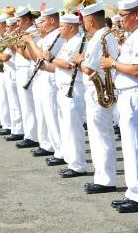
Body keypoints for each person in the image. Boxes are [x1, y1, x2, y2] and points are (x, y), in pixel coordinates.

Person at [101, 0, 138, 213]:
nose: (120, 20)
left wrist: (113, 63)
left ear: (135, 14)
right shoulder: (135, 35)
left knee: (135, 148)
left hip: (136, 95)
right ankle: (133, 193)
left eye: (123, 15)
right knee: (130, 148)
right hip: (129, 95)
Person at [74, 3, 119, 193]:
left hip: (98, 92)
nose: (84, 26)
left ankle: (105, 180)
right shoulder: (107, 36)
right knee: (99, 135)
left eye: (84, 22)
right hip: (99, 90)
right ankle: (102, 177)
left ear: (90, 21)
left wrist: (80, 61)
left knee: (100, 136)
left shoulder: (99, 38)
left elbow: (89, 68)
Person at [44, 13, 87, 178]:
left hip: (73, 89)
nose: (60, 29)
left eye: (62, 26)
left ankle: (78, 165)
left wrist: (51, 58)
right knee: (66, 128)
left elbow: (69, 65)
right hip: (63, 89)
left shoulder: (78, 42)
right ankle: (71, 161)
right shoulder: (67, 42)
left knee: (73, 129)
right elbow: (60, 66)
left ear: (71, 27)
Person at [22, 8, 66, 165]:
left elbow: (43, 58)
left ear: (52, 21)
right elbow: (34, 58)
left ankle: (61, 151)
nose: (39, 25)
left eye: (42, 21)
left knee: (53, 117)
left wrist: (31, 42)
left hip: (51, 79)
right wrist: (26, 44)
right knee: (43, 115)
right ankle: (47, 144)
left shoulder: (57, 36)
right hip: (42, 77)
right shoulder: (47, 36)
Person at [12, 6, 39, 148]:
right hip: (21, 69)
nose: (17, 24)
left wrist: (16, 45)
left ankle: (32, 136)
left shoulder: (32, 33)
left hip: (27, 69)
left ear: (27, 20)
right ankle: (29, 134)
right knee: (24, 104)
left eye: (19, 21)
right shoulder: (24, 32)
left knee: (28, 105)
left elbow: (29, 56)